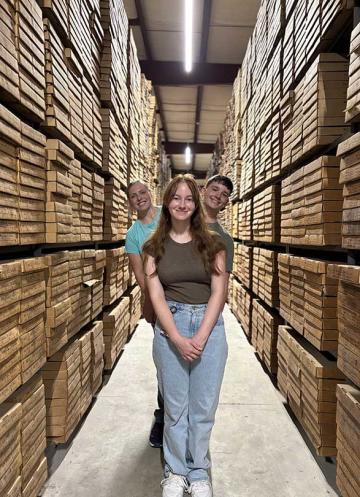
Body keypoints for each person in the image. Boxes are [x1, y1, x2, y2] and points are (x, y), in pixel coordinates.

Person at [143, 174, 228, 497]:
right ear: (166, 202)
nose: (182, 204)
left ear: (196, 203)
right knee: (176, 408)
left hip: (209, 326)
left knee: (203, 407)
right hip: (171, 327)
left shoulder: (214, 243)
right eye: (176, 198)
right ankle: (175, 472)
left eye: (188, 199)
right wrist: (176, 337)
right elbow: (156, 295)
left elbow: (219, 291)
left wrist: (202, 336)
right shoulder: (154, 245)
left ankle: (198, 471)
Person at [125, 180, 164, 448]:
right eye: (133, 196)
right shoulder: (133, 235)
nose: (139, 198)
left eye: (142, 193)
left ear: (150, 193)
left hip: (189, 298)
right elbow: (140, 276)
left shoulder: (168, 214)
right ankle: (163, 418)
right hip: (160, 304)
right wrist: (156, 301)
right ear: (129, 203)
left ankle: (187, 421)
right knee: (166, 363)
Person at [202, 174, 234, 288]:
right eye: (215, 189)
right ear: (203, 191)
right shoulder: (182, 223)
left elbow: (223, 286)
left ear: (226, 202)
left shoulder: (225, 240)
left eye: (224, 194)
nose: (218, 195)